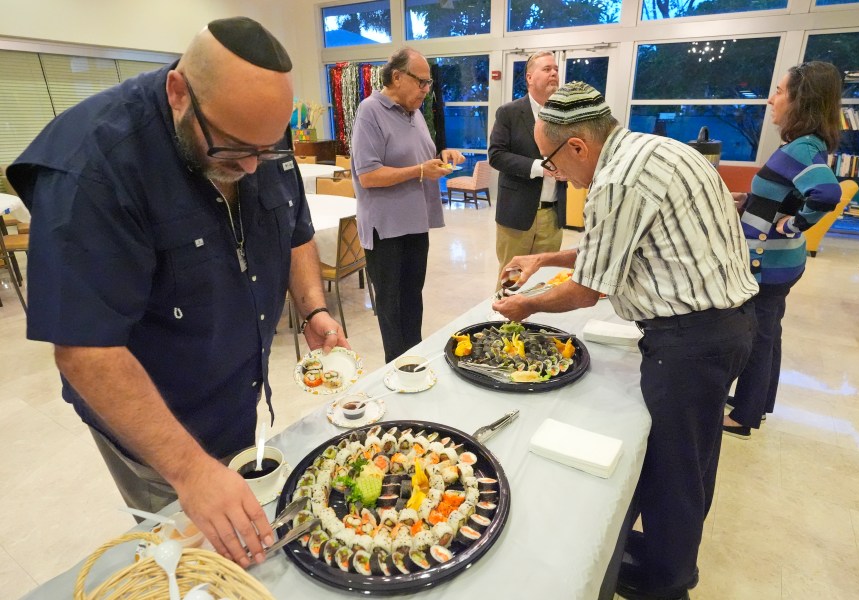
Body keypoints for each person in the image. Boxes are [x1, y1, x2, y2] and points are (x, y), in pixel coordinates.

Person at [8, 17, 349, 568]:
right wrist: (190, 472)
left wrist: (311, 307)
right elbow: (84, 350)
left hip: (235, 388)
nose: (251, 166)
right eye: (235, 151)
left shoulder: (255, 131)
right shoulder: (91, 167)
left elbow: (294, 230)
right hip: (153, 413)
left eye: (265, 150)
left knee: (251, 539)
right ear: (178, 94)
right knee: (193, 557)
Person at [492, 81, 758, 600]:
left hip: (690, 339)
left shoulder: (616, 179)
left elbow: (589, 290)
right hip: (725, 326)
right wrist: (544, 258)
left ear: (577, 147)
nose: (556, 176)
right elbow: (614, 242)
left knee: (675, 468)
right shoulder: (655, 150)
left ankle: (668, 583)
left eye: (551, 163)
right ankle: (665, 557)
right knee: (691, 458)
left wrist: (523, 306)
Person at [724, 61, 843, 440]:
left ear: (800, 99)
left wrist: (791, 224)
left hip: (767, 266)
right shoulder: (805, 146)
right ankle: (756, 403)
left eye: (779, 91)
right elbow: (786, 195)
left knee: (757, 339)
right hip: (781, 263)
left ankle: (743, 416)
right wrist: (750, 202)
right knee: (768, 335)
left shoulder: (802, 149)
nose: (771, 100)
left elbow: (825, 194)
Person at [350, 47, 465, 363]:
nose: (426, 90)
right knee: (392, 309)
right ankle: (397, 371)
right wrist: (419, 171)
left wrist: (442, 157)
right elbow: (369, 175)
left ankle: (413, 363)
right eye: (422, 82)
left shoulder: (414, 113)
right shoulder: (369, 112)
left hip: (415, 223)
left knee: (412, 302)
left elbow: (419, 158)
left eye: (429, 84)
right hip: (386, 230)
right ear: (397, 77)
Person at [488, 51, 567, 287]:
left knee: (544, 279)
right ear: (530, 78)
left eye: (555, 69)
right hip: (517, 213)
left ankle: (535, 322)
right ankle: (505, 321)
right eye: (547, 69)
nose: (553, 73)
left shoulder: (564, 114)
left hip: (553, 215)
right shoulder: (509, 113)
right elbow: (496, 155)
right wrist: (539, 167)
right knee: (512, 278)